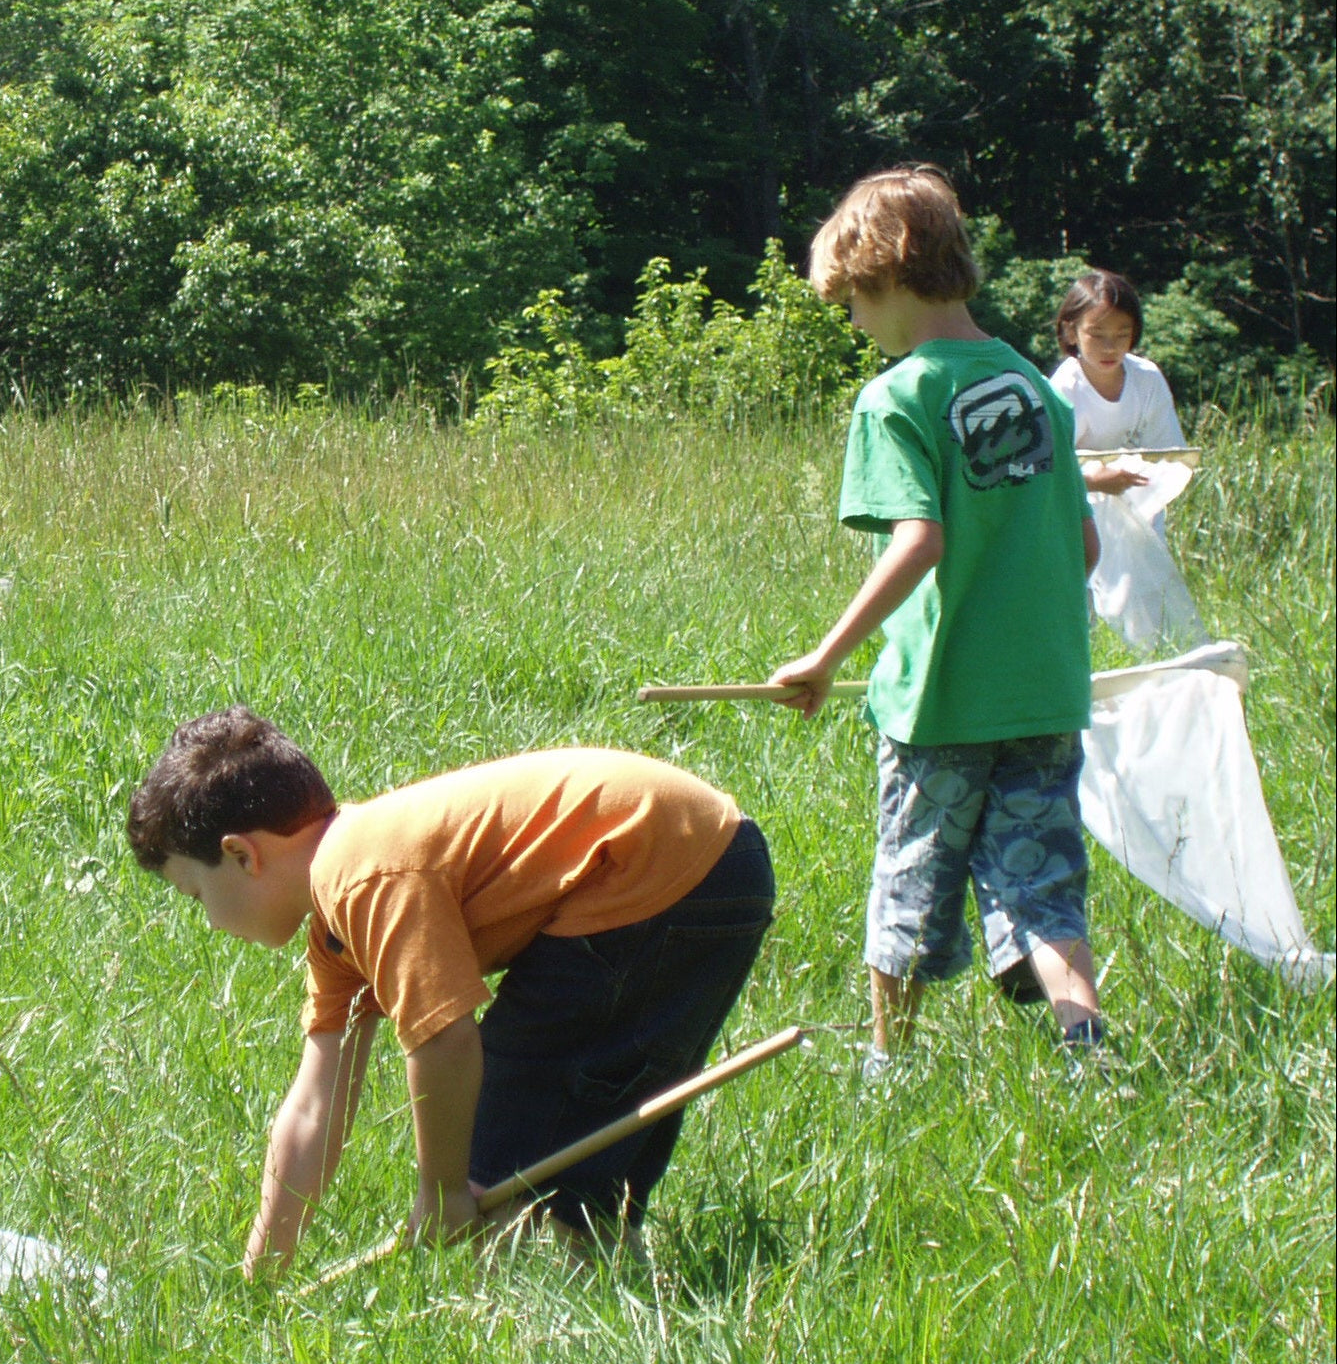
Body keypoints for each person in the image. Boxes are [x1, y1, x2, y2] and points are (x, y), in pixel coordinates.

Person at [126, 706, 774, 1278]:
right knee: (576, 1140)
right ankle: (604, 1286)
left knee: (497, 1152)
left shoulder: (361, 872)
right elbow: (313, 1104)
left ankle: (537, 1308)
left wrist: (441, 1192)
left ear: (242, 855)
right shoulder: (338, 928)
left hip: (656, 871)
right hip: (708, 864)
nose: (209, 920)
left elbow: (443, 1038)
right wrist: (263, 1272)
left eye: (196, 894)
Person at [766, 164, 1111, 1079]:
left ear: (882, 279)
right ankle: (1085, 1050)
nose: (852, 325)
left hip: (940, 704)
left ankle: (889, 1067)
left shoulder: (896, 396)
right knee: (1043, 886)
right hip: (1044, 694)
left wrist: (824, 655)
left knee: (910, 875)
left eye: (850, 304)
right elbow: (1082, 549)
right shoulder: (1036, 388)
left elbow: (919, 539)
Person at [1050, 269, 1186, 509]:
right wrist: (1091, 481)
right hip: (1081, 520)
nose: (1110, 348)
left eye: (1122, 335)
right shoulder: (1063, 389)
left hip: (1141, 516)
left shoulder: (1147, 378)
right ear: (1071, 332)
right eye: (1097, 335)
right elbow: (1044, 472)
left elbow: (1171, 456)